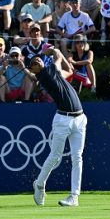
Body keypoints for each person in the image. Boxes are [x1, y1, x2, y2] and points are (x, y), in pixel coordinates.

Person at [30, 48, 87, 207]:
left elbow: (59, 60)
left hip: (80, 119)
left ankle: (74, 196)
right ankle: (39, 185)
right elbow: (56, 59)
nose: (38, 62)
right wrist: (53, 51)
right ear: (33, 70)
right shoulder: (45, 77)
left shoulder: (52, 71)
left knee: (77, 157)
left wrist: (52, 51)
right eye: (34, 63)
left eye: (38, 60)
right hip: (62, 120)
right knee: (55, 156)